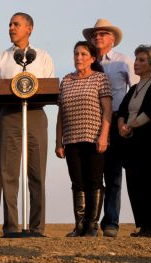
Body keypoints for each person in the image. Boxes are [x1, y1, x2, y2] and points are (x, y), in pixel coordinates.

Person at [0, 12, 54, 237]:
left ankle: (37, 227)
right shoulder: (0, 58)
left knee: (37, 173)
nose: (11, 28)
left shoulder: (43, 56)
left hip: (36, 114)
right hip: (9, 116)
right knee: (8, 174)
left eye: (16, 24)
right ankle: (11, 227)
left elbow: (48, 86)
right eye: (9, 24)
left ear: (29, 28)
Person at [83, 19, 138, 237]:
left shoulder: (124, 61)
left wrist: (127, 122)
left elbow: (134, 91)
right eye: (95, 35)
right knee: (92, 174)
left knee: (113, 174)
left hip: (115, 120)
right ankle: (88, 223)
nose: (98, 38)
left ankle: (112, 222)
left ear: (112, 39)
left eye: (103, 34)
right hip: (91, 120)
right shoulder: (87, 63)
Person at [54, 41, 112, 237]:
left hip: (94, 137)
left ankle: (92, 226)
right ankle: (79, 225)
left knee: (94, 181)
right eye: (76, 54)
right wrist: (58, 141)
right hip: (71, 139)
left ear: (92, 59)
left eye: (83, 54)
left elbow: (107, 111)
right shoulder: (66, 81)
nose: (79, 58)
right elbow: (61, 113)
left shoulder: (100, 79)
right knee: (77, 182)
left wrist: (104, 136)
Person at [116, 45, 151, 238]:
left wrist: (132, 126)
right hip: (131, 143)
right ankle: (142, 225)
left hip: (149, 143)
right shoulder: (133, 88)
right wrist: (122, 125)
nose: (136, 63)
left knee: (150, 183)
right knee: (134, 183)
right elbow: (123, 110)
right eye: (136, 59)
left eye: (141, 60)